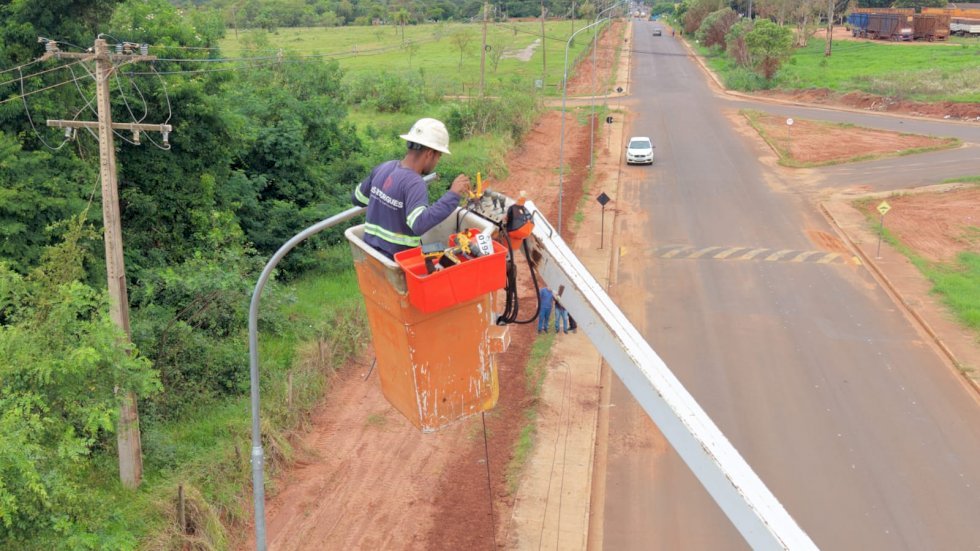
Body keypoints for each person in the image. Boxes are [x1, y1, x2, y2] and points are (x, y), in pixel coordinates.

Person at [352, 118, 471, 259]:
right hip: (397, 262)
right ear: (430, 153)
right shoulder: (414, 183)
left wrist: (386, 202)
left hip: (372, 256)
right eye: (438, 156)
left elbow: (357, 199)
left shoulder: (384, 167)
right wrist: (453, 194)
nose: (437, 161)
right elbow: (419, 224)